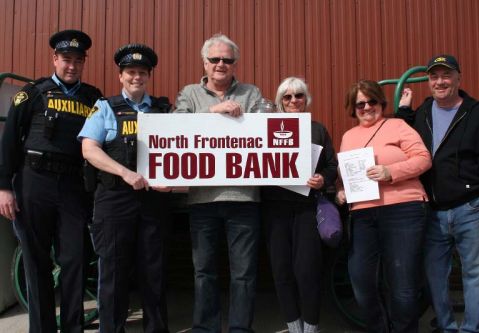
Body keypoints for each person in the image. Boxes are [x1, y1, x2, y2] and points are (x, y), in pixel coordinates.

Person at [0, 30, 102, 333]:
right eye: (66, 59)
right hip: (34, 182)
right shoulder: (31, 93)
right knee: (37, 262)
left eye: (77, 61)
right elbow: (8, 143)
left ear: (84, 62)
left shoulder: (93, 98)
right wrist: (4, 187)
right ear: (55, 59)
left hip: (72, 185)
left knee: (75, 261)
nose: (71, 66)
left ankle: (72, 328)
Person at [398, 55, 479, 333]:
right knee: (434, 275)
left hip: (472, 208)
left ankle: (471, 329)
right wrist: (404, 110)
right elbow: (403, 141)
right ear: (429, 81)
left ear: (458, 78)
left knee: (476, 274)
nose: (440, 81)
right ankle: (446, 326)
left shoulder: (477, 113)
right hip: (433, 210)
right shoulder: (423, 112)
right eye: (434, 76)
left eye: (446, 75)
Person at [78, 44, 172, 333]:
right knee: (114, 273)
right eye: (131, 72)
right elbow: (89, 149)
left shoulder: (163, 110)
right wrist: (125, 173)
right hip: (114, 199)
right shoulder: (105, 107)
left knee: (153, 272)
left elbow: (180, 151)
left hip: (153, 201)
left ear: (149, 76)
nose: (136, 77)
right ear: (120, 76)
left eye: (142, 73)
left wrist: (174, 182)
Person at [175, 33, 262, 333]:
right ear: (205, 62)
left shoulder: (251, 93)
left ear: (235, 63)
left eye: (227, 59)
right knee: (204, 272)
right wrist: (214, 111)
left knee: (244, 273)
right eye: (215, 59)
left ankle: (240, 329)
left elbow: (266, 128)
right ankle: (205, 328)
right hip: (202, 200)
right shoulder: (189, 94)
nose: (221, 64)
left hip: (244, 198)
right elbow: (175, 127)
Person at [336, 80, 432, 333]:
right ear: (352, 108)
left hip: (403, 208)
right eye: (360, 104)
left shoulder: (397, 125)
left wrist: (391, 172)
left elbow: (423, 159)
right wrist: (341, 191)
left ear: (381, 102)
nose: (367, 107)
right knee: (361, 280)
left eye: (372, 101)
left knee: (402, 284)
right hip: (362, 213)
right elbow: (346, 175)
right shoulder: (348, 136)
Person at [261, 77, 337, 333]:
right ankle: (294, 326)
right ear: (280, 102)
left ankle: (311, 326)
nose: (294, 101)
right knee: (281, 271)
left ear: (306, 99)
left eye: (299, 96)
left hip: (306, 208)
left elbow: (330, 165)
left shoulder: (317, 129)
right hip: (274, 209)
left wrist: (322, 179)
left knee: (307, 271)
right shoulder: (263, 128)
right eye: (287, 97)